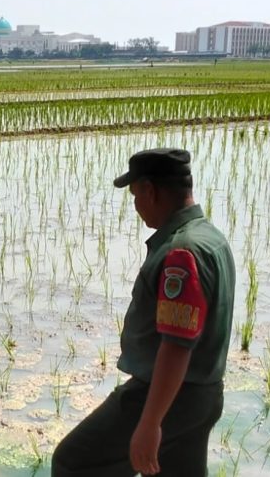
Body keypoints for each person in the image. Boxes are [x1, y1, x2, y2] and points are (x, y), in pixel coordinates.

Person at [52, 148, 235, 477]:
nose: (136, 205)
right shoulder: (212, 239)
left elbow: (177, 345)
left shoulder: (182, 253)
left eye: (135, 195)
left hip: (168, 398)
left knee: (74, 462)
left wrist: (150, 422)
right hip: (204, 396)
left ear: (150, 191)